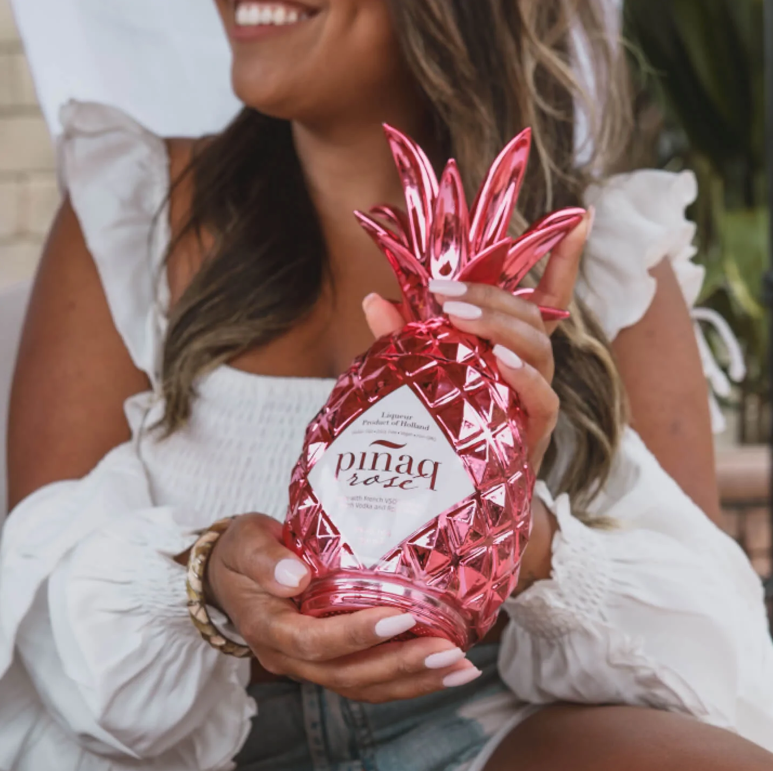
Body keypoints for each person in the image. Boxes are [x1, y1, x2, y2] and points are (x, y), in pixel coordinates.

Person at [2, 1, 773, 769]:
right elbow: (34, 600)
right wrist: (203, 579)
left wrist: (517, 529)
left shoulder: (603, 250)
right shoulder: (137, 207)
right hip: (197, 744)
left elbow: (712, 659)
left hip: (490, 720)